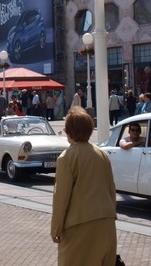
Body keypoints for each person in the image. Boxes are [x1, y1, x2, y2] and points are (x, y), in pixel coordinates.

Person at [51, 107, 117, 266]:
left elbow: (61, 197)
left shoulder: (66, 157)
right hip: (106, 222)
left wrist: (56, 229)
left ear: (69, 132)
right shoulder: (102, 155)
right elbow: (111, 190)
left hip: (79, 224)